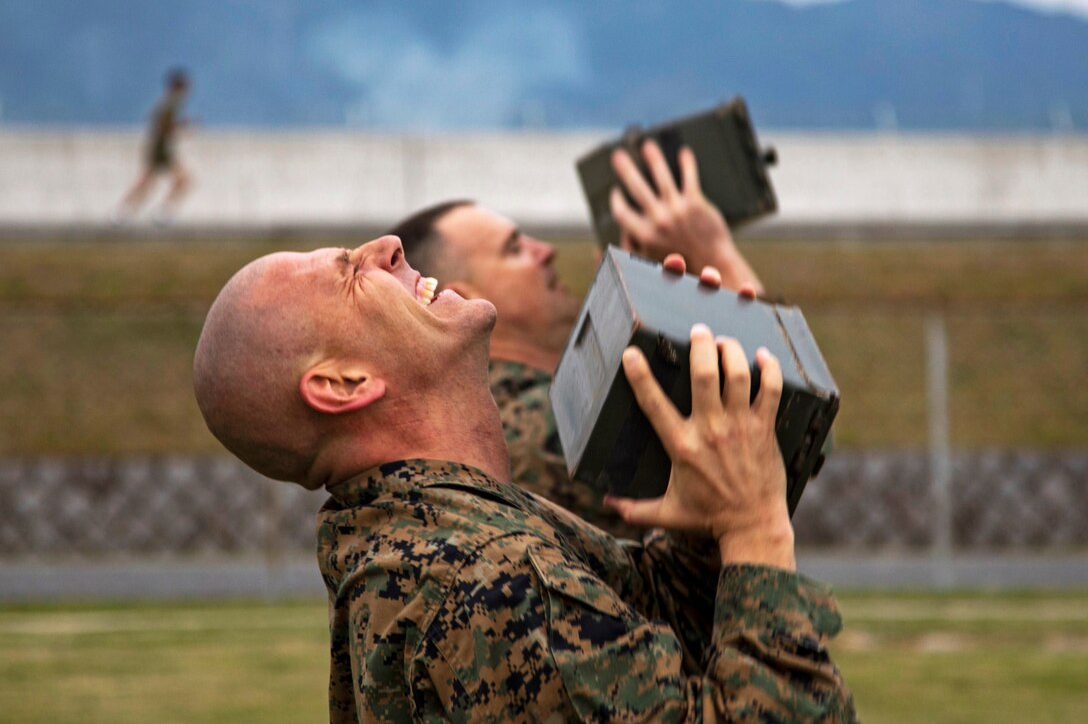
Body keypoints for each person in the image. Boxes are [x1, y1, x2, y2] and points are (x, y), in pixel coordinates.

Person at [192, 234, 855, 721]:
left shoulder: (449, 535)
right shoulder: (480, 577)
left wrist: (713, 520)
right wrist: (755, 527)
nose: (387, 246)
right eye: (348, 273)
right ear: (342, 384)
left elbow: (650, 641)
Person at [388, 140, 765, 537]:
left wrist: (657, 304)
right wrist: (714, 254)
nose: (546, 251)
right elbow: (775, 446)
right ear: (460, 302)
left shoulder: (477, 417)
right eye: (515, 249)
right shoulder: (556, 424)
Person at [114, 68, 194, 224]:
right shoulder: (171, 103)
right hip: (160, 147)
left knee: (150, 180)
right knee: (179, 180)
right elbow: (162, 125)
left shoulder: (168, 102)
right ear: (179, 87)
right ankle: (160, 212)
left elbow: (155, 120)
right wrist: (181, 126)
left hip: (160, 146)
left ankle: (126, 211)